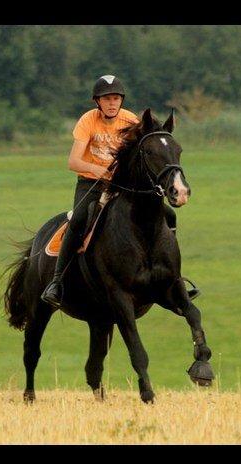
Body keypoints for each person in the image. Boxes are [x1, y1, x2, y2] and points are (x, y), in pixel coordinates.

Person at [41, 75, 198, 308]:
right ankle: (57, 282)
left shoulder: (130, 120)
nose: (112, 103)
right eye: (107, 99)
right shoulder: (87, 121)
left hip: (123, 185)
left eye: (116, 98)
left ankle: (172, 279)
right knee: (79, 219)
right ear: (98, 102)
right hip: (91, 183)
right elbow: (73, 162)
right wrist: (98, 170)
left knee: (170, 214)